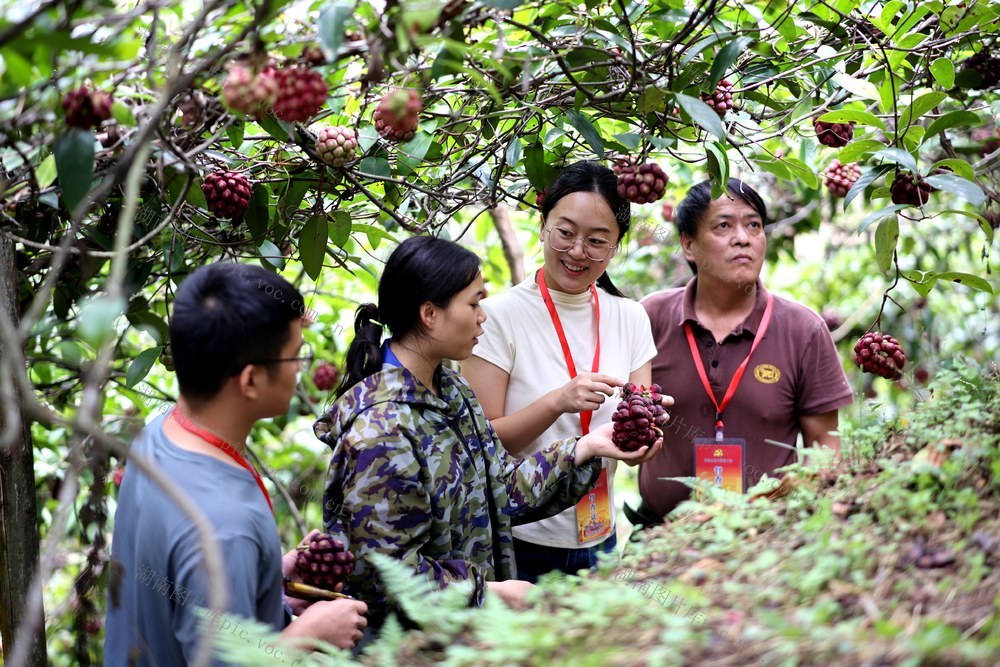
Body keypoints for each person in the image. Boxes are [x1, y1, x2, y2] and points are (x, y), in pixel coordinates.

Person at [313, 235, 661, 627]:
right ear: (430, 313)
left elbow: (499, 489)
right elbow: (384, 576)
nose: (483, 316)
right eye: (474, 303)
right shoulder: (382, 432)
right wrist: (489, 592)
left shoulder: (450, 388)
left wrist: (585, 448)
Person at [105, 263, 368, 666]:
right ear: (250, 381)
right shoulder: (227, 528)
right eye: (295, 356)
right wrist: (306, 636)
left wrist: (263, 578)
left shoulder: (159, 433)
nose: (300, 369)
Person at [462, 161, 668, 582]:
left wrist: (647, 432)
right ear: (542, 225)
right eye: (566, 233)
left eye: (596, 240)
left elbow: (635, 437)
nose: (577, 252)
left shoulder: (630, 317)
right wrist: (559, 401)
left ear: (615, 247)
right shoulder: (496, 317)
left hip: (600, 535)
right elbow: (481, 446)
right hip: (518, 538)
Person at [634, 178, 853, 523]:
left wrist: (775, 507)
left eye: (754, 225)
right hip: (660, 538)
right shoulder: (649, 317)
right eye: (724, 225)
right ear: (688, 245)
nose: (743, 237)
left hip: (768, 540)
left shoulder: (802, 330)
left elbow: (826, 447)